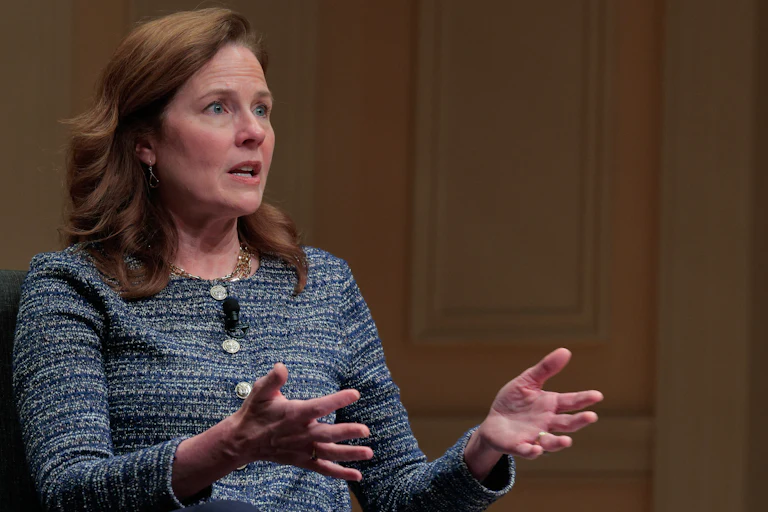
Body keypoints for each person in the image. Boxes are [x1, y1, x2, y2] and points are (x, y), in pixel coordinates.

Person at [12, 8, 603, 512]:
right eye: (219, 108)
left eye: (262, 109)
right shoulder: (73, 285)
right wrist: (224, 448)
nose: (254, 133)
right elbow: (70, 491)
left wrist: (483, 450)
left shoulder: (320, 283)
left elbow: (397, 495)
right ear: (145, 142)